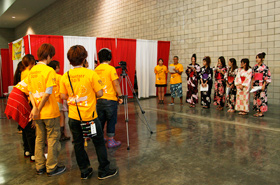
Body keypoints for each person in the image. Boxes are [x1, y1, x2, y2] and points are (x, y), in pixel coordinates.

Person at [60, 45, 117, 180]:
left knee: (78, 143)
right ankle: (103, 170)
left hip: (73, 116)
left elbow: (63, 96)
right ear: (84, 58)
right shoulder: (91, 73)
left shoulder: (65, 76)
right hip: (89, 116)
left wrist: (74, 98)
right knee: (98, 143)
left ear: (69, 60)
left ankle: (85, 170)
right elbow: (100, 92)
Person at [28, 43, 66, 176]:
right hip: (49, 111)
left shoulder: (32, 71)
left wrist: (35, 108)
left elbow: (31, 92)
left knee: (39, 138)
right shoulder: (49, 71)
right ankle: (51, 167)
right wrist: (38, 108)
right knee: (52, 138)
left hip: (37, 113)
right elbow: (48, 92)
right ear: (48, 56)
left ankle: (40, 167)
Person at [5, 54, 36, 162]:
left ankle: (27, 150)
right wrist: (35, 108)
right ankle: (33, 154)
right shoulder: (31, 73)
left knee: (24, 126)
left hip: (15, 96)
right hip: (19, 98)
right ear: (32, 63)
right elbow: (31, 92)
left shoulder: (22, 72)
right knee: (30, 127)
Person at [95, 48, 123, 148]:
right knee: (111, 120)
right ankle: (111, 141)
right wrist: (120, 95)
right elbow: (116, 83)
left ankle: (101, 137)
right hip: (110, 100)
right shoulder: (111, 69)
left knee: (100, 120)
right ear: (109, 58)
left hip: (99, 100)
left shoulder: (95, 70)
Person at [48, 60, 71, 141]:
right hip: (58, 100)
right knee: (61, 117)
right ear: (57, 67)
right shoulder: (60, 77)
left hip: (49, 100)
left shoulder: (48, 77)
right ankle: (61, 134)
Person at [252, 52, 271, 117]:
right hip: (255, 83)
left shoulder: (265, 67)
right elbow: (253, 76)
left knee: (261, 97)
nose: (257, 59)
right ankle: (258, 111)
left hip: (262, 83)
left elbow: (267, 77)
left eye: (258, 58)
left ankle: (261, 112)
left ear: (262, 59)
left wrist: (264, 85)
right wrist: (252, 84)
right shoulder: (254, 67)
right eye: (256, 58)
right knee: (256, 97)